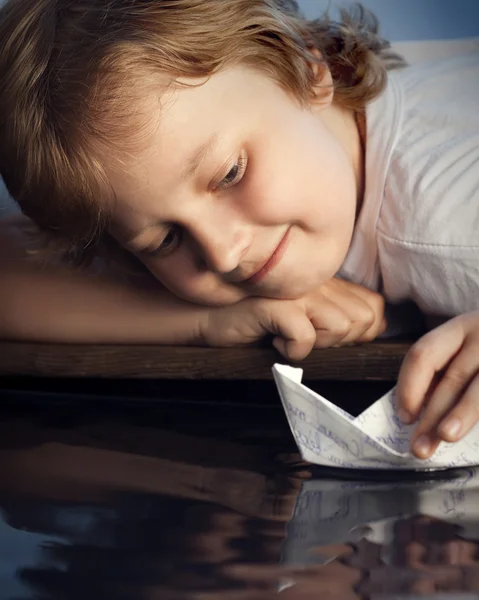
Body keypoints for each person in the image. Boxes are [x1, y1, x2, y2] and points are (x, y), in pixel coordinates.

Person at [0, 0, 478, 460]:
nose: (223, 255)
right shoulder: (281, 110)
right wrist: (203, 322)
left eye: (229, 174)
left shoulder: (443, 230)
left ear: (305, 69)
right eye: (165, 240)